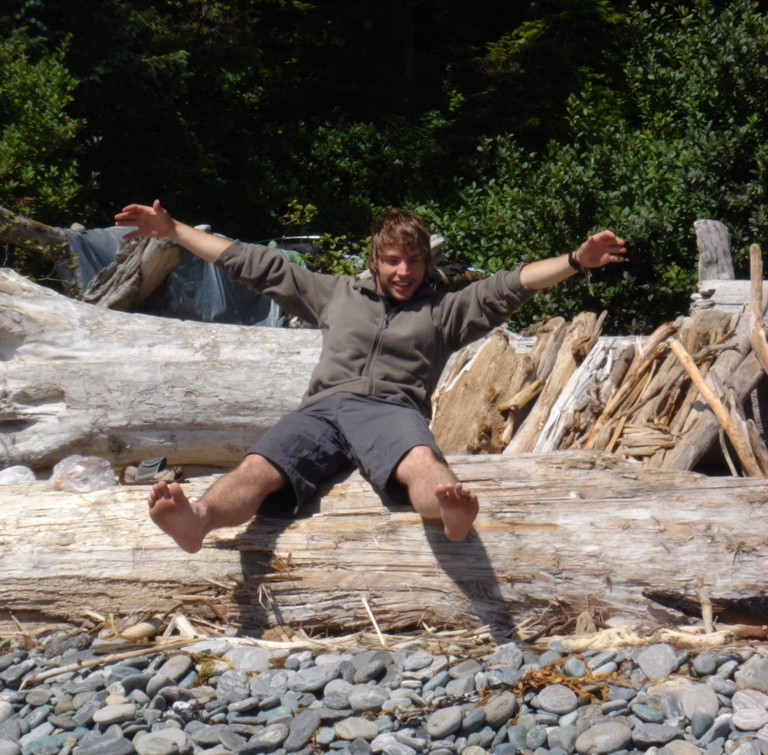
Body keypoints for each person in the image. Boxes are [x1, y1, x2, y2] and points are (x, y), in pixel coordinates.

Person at [114, 200, 625, 553]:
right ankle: (197, 520)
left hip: (390, 410)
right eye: (394, 261)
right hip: (321, 411)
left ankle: (448, 511)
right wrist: (174, 230)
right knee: (257, 466)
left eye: (415, 262)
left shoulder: (443, 312)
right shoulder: (335, 294)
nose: (405, 272)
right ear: (375, 261)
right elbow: (254, 264)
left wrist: (575, 260)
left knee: (422, 460)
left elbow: (509, 286)